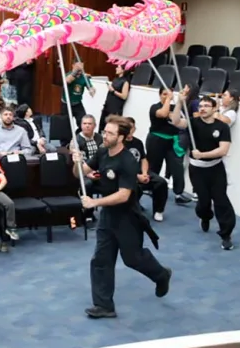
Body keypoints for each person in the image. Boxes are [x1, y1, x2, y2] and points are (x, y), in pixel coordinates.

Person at [74, 115, 172, 319]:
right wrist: (76, 162)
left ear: (121, 138)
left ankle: (161, 274)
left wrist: (95, 203)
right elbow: (81, 173)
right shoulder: (102, 152)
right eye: (105, 131)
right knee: (101, 259)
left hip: (128, 217)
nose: (105, 135)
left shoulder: (128, 161)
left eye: (110, 133)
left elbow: (124, 195)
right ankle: (104, 306)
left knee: (132, 259)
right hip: (108, 216)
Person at [170, 91, 236, 250]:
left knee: (221, 201)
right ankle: (205, 216)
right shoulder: (193, 123)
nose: (203, 108)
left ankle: (226, 235)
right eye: (200, 106)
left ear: (215, 108)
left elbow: (223, 150)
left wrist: (202, 155)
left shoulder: (222, 127)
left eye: (207, 106)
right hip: (197, 171)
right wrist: (179, 102)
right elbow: (175, 121)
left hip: (216, 169)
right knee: (203, 202)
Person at [146, 87, 192, 205]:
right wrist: (168, 99)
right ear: (159, 95)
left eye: (169, 94)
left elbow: (178, 120)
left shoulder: (174, 108)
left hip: (172, 141)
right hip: (156, 140)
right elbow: (163, 114)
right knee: (154, 166)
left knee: (177, 167)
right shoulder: (154, 107)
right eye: (164, 94)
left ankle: (178, 193)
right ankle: (151, 187)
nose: (166, 96)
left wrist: (179, 102)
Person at [124, 117, 168, 222]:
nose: (129, 130)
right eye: (126, 128)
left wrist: (144, 173)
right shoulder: (119, 144)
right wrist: (137, 176)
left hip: (141, 172)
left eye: (131, 127)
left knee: (161, 182)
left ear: (134, 129)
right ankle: (132, 209)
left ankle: (158, 211)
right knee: (134, 186)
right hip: (126, 174)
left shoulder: (138, 142)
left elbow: (144, 160)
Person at [98, 65, 130, 132]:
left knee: (112, 128)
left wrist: (113, 91)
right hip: (107, 107)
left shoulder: (125, 82)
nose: (116, 68)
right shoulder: (115, 79)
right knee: (102, 127)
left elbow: (124, 96)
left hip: (115, 109)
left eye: (118, 67)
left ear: (123, 70)